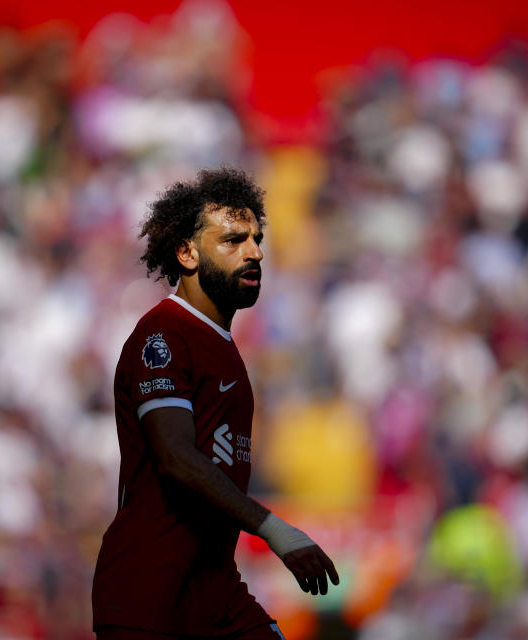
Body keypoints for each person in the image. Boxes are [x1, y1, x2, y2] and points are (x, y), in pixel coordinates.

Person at [92, 168, 339, 639]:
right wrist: (275, 531)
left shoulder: (222, 345)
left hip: (214, 591)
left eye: (256, 239)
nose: (255, 252)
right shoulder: (163, 336)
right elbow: (176, 458)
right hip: (149, 598)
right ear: (187, 253)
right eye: (232, 241)